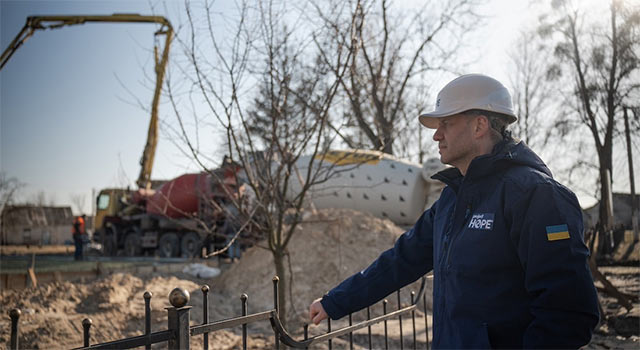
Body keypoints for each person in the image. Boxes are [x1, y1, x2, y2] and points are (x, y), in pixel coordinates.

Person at [308, 74, 600, 349]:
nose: (437, 136)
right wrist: (335, 302)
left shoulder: (535, 195)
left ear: (479, 126)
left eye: (445, 123)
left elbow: (569, 313)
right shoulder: (451, 200)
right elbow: (401, 261)